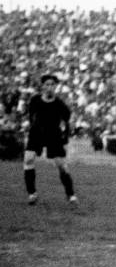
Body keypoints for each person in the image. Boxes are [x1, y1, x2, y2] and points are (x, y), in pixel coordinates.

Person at [23, 74, 77, 206]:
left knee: (61, 166)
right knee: (28, 159)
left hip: (54, 135)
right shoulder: (35, 100)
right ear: (42, 86)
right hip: (37, 133)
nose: (50, 87)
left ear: (55, 87)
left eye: (52, 85)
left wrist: (66, 135)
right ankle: (32, 194)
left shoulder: (59, 104)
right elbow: (31, 116)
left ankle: (70, 195)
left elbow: (69, 120)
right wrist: (30, 127)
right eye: (47, 84)